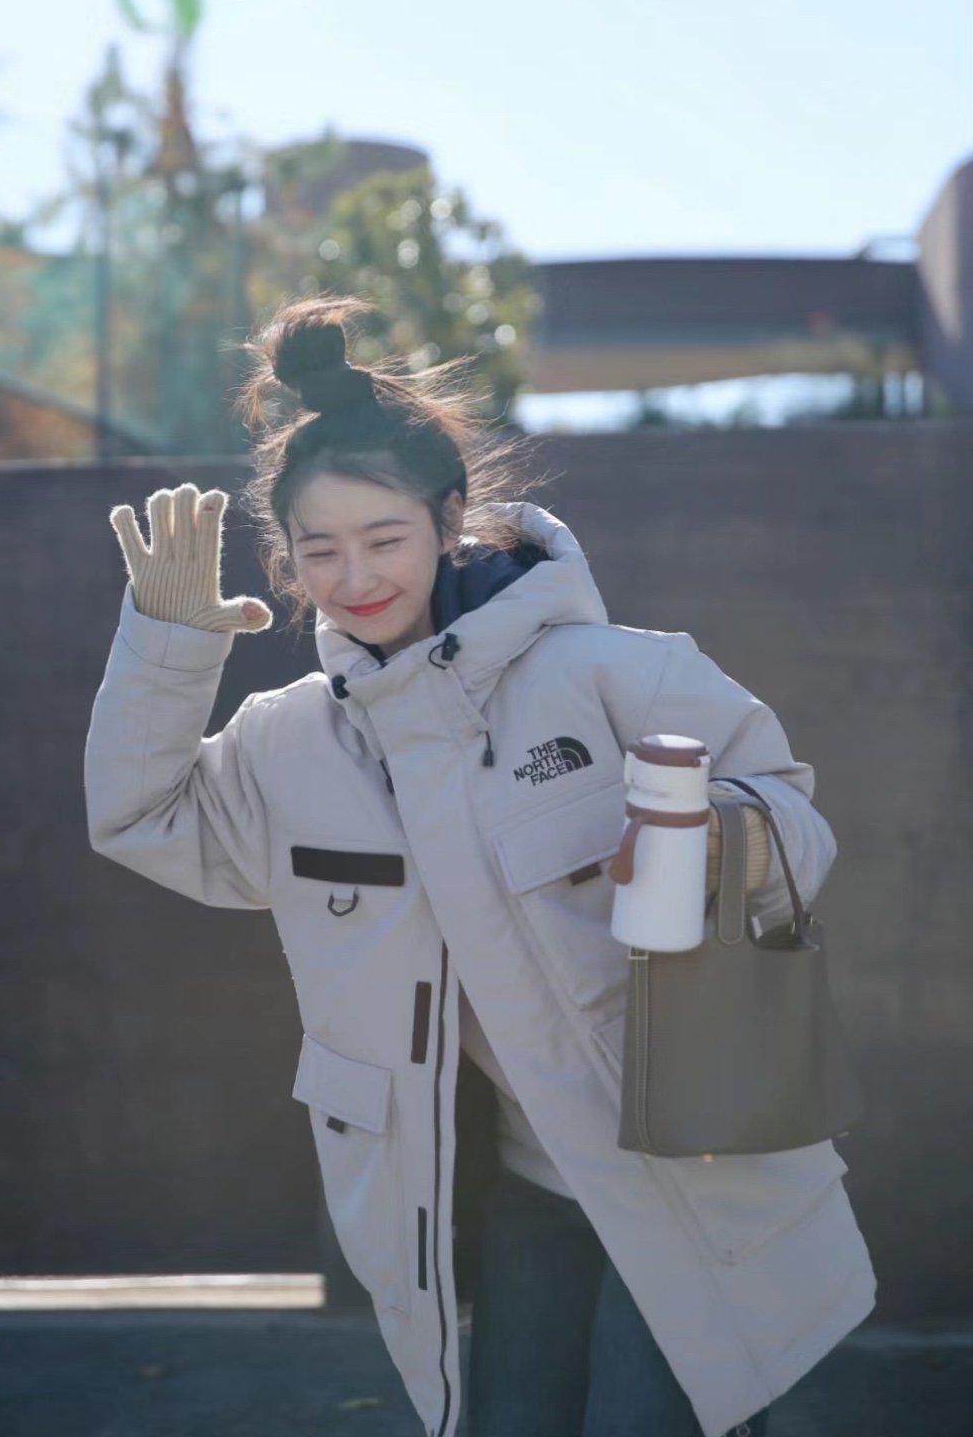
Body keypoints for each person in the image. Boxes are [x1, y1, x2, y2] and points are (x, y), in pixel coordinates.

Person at [84, 295, 876, 1437]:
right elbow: (139, 815)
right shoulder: (290, 741)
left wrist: (723, 840)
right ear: (287, 558)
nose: (354, 575)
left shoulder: (613, 674)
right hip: (522, 1192)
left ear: (449, 518)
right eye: (319, 549)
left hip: (688, 1166)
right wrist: (167, 643)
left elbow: (800, 825)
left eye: (384, 539)